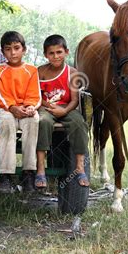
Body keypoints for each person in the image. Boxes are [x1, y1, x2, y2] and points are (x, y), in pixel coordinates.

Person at [36, 35, 89, 190]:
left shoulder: (72, 72)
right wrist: (50, 107)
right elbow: (37, 96)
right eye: (51, 53)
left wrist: (64, 110)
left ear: (66, 52)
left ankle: (80, 167)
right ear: (46, 55)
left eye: (59, 52)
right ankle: (40, 168)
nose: (56, 56)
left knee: (79, 122)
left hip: (67, 107)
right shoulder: (41, 71)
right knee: (43, 121)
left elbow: (74, 100)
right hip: (46, 107)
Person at [0, 31, 41, 193]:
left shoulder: (32, 70)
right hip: (7, 108)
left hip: (26, 109)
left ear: (24, 50)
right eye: (8, 49)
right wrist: (13, 107)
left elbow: (35, 93)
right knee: (6, 123)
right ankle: (6, 174)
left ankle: (28, 172)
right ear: (3, 52)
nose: (13, 53)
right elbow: (0, 93)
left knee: (33, 121)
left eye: (16, 48)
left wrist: (30, 107)